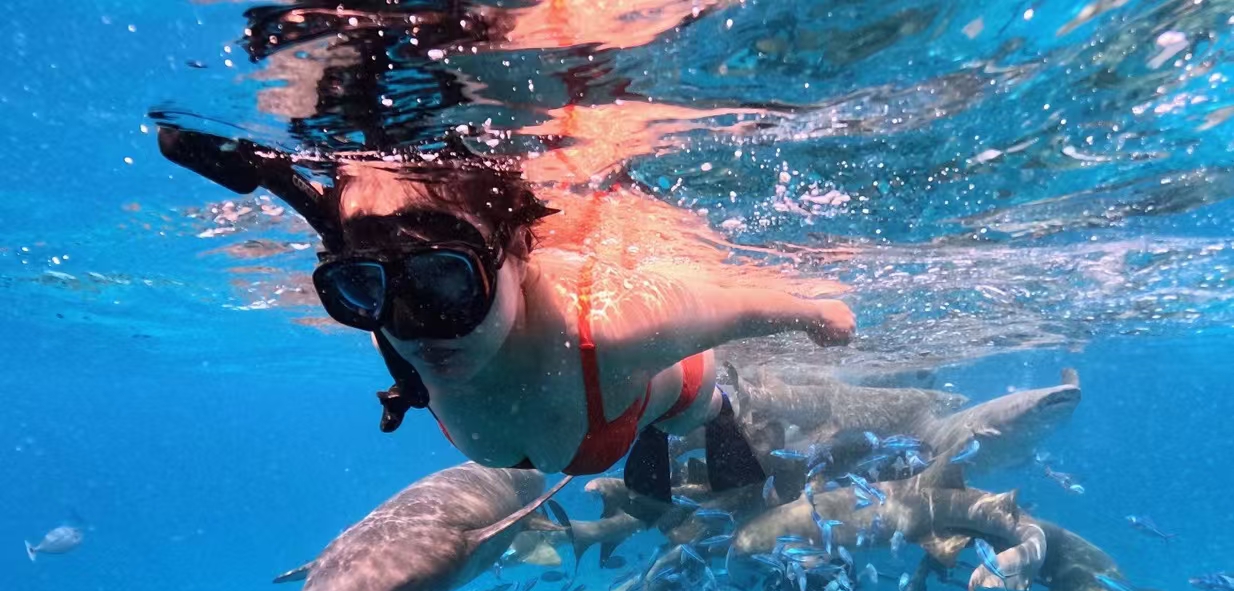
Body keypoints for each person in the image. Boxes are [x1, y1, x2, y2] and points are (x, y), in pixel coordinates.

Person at [158, 126, 854, 501]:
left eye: (444, 279)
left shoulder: (618, 329)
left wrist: (817, 314)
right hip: (565, 423)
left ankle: (711, 417)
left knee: (690, 409)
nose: (412, 324)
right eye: (361, 288)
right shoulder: (392, 318)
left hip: (636, 396)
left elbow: (748, 306)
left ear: (517, 253)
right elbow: (400, 292)